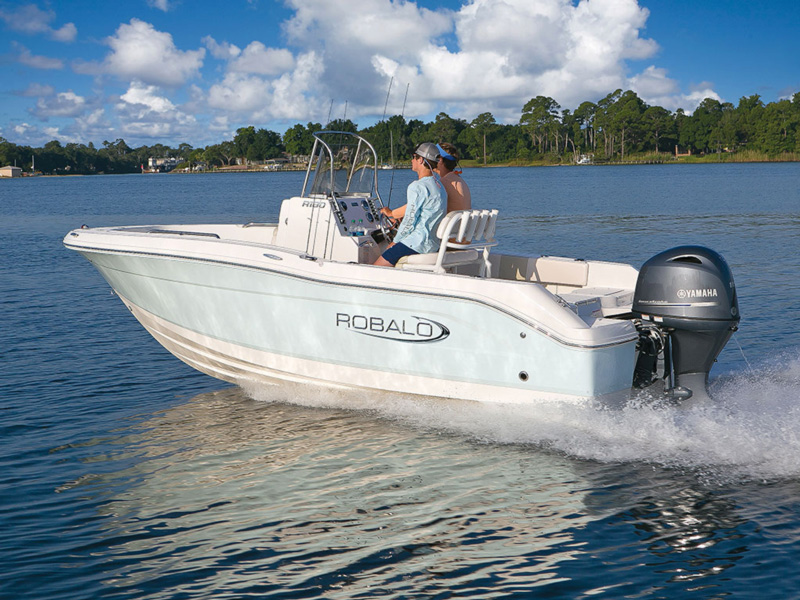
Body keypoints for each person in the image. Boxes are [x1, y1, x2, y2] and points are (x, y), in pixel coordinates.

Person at [374, 142, 447, 267]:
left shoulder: (417, 187)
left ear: (421, 160)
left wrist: (395, 242)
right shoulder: (439, 187)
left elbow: (410, 220)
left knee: (376, 267)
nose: (412, 160)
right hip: (432, 244)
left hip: (416, 243)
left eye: (414, 156)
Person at [435, 142, 471, 212]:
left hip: (453, 222)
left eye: (433, 156)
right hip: (462, 222)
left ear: (440, 160)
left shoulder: (444, 182)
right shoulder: (458, 179)